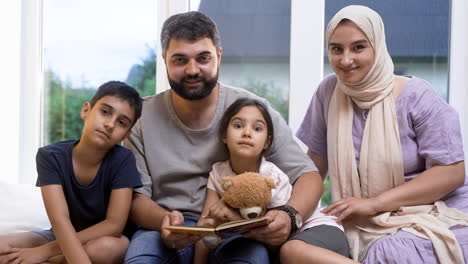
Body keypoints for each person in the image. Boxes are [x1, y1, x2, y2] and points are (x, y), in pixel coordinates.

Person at [123, 11, 336, 263]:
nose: (192, 70)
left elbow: (308, 176)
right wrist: (164, 222)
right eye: (180, 60)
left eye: (203, 58)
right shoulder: (141, 117)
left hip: (235, 230)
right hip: (164, 227)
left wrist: (290, 215)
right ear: (164, 60)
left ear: (219, 56)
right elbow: (136, 198)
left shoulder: (253, 112)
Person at [296, 5, 468, 263]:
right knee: (294, 248)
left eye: (358, 47)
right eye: (336, 49)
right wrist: (289, 212)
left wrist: (375, 203)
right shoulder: (328, 92)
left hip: (432, 213)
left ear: (378, 45)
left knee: (389, 252)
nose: (345, 60)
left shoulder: (417, 96)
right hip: (359, 219)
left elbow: (452, 172)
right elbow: (314, 167)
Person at [193, 97, 354, 263]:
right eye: (238, 125)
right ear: (224, 135)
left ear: (267, 142)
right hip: (292, 247)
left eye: (257, 128)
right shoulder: (218, 172)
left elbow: (277, 234)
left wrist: (233, 217)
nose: (247, 133)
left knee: (290, 251)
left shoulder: (272, 177)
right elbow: (206, 226)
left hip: (318, 230)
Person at [0, 81, 143, 264]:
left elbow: (114, 226)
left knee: (103, 250)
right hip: (61, 236)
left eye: (121, 123)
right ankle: (58, 257)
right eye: (105, 112)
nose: (109, 124)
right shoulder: (50, 156)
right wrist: (45, 248)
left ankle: (54, 258)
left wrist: (43, 253)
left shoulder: (123, 159)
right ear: (86, 110)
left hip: (107, 238)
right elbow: (60, 220)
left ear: (126, 135)